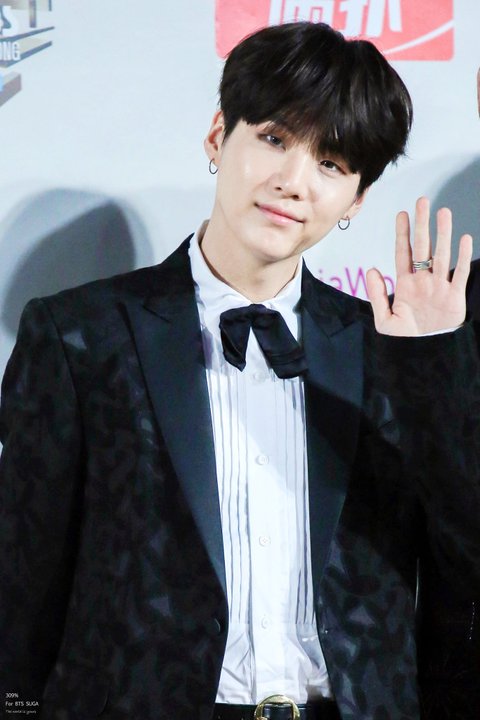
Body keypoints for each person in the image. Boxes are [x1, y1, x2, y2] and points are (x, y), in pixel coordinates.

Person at [0, 21, 479, 720]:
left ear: (358, 199)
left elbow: (463, 566)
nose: (293, 183)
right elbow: (22, 580)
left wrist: (434, 368)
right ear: (218, 135)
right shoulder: (81, 335)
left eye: (331, 164)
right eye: (275, 139)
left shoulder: (389, 350)